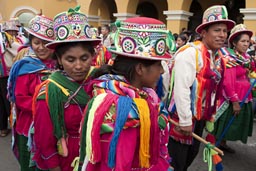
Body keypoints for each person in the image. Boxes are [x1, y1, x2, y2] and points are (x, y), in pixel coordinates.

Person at [77, 17, 175, 171]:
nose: (162, 71)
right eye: (158, 65)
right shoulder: (120, 110)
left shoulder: (143, 96)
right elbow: (120, 164)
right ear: (140, 69)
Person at [32, 6, 101, 171]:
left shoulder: (99, 83)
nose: (79, 66)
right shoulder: (49, 92)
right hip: (67, 159)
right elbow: (44, 139)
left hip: (96, 155)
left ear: (92, 57)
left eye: (84, 58)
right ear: (59, 60)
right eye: (70, 59)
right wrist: (54, 166)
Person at [167, 5, 235, 171]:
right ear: (204, 32)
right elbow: (182, 88)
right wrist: (184, 120)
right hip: (181, 117)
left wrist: (209, 116)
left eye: (225, 31)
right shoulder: (190, 54)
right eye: (217, 30)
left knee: (190, 156)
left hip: (199, 117)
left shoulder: (218, 57)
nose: (222, 35)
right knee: (176, 161)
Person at [7, 15, 55, 171]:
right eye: (37, 42)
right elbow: (20, 99)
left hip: (53, 126)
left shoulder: (59, 66)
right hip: (29, 126)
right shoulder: (25, 67)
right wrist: (44, 108)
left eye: (46, 43)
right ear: (31, 43)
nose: (41, 47)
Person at [212, 24, 255, 153]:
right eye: (243, 41)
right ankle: (215, 144)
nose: (246, 44)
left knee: (234, 123)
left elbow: (252, 69)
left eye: (248, 41)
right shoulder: (230, 58)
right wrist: (235, 101)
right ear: (235, 43)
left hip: (245, 95)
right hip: (231, 97)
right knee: (225, 121)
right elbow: (228, 82)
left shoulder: (246, 58)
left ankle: (223, 142)